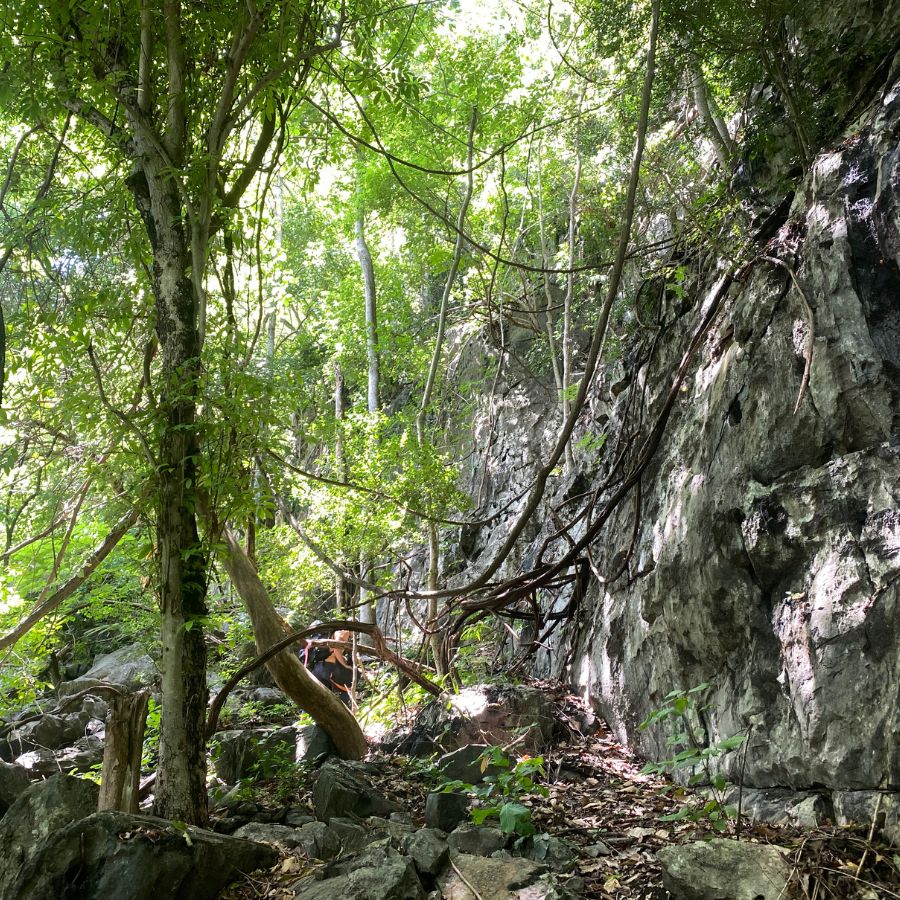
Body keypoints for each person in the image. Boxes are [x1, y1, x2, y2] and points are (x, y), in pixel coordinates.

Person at [305, 630, 354, 706]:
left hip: (318, 667)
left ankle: (306, 716)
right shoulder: (344, 632)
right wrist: (344, 665)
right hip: (329, 667)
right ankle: (343, 713)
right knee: (345, 689)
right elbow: (336, 647)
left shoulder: (330, 633)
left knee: (313, 694)